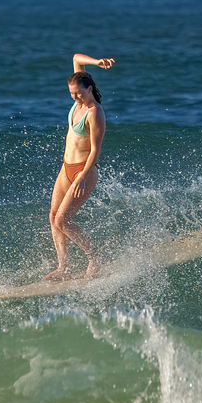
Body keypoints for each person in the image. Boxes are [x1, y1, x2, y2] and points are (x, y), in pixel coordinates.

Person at [43, 53, 114, 282]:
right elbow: (76, 59)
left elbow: (95, 151)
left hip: (84, 172)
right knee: (53, 216)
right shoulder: (78, 102)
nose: (75, 97)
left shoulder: (95, 113)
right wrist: (97, 62)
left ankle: (96, 258)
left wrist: (82, 177)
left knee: (63, 220)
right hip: (66, 168)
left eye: (79, 94)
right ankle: (63, 268)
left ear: (90, 89)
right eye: (72, 94)